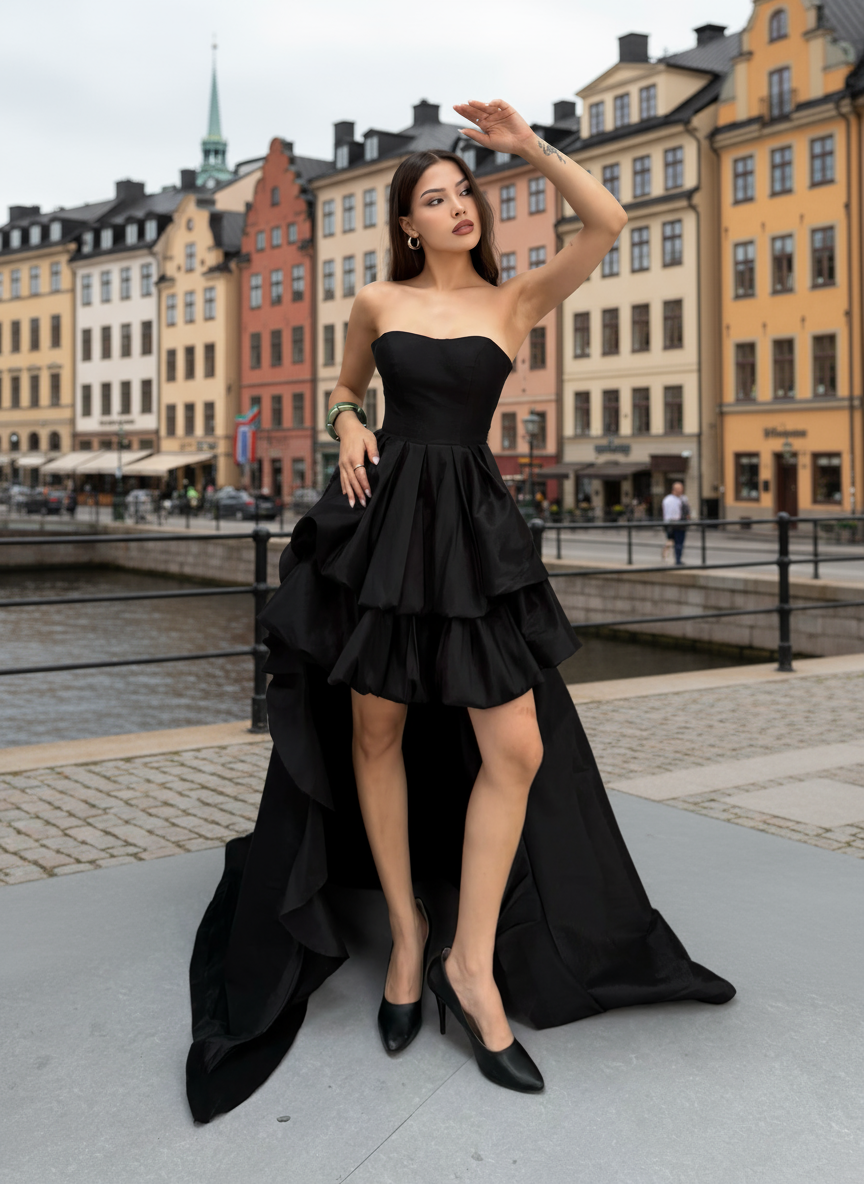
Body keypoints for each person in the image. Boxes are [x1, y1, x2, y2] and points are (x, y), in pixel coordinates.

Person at [185, 100, 735, 1122]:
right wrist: (347, 424)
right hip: (387, 522)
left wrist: (531, 150)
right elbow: (343, 389)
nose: (458, 207)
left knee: (514, 746)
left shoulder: (515, 299)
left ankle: (468, 963)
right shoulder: (377, 300)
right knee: (376, 731)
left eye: (464, 192)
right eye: (436, 199)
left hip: (473, 528)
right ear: (408, 223)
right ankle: (405, 933)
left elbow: (608, 221)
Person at [662, 480, 691, 566]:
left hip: (681, 525)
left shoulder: (683, 498)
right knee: (673, 542)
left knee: (679, 543)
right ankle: (672, 558)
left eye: (681, 488)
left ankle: (677, 559)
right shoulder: (669, 500)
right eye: (678, 489)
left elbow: (687, 510)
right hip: (673, 524)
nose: (680, 490)